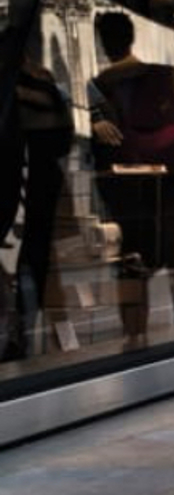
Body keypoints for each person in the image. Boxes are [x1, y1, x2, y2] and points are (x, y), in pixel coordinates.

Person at [87, 11, 174, 345]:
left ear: (104, 42)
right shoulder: (166, 76)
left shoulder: (99, 88)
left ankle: (135, 333)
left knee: (132, 259)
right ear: (131, 38)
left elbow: (100, 149)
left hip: (132, 192)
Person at [1, 21, 73, 360]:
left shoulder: (17, 85)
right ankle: (46, 333)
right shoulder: (45, 83)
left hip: (24, 183)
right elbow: (63, 137)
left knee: (24, 262)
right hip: (40, 182)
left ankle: (23, 335)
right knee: (37, 261)